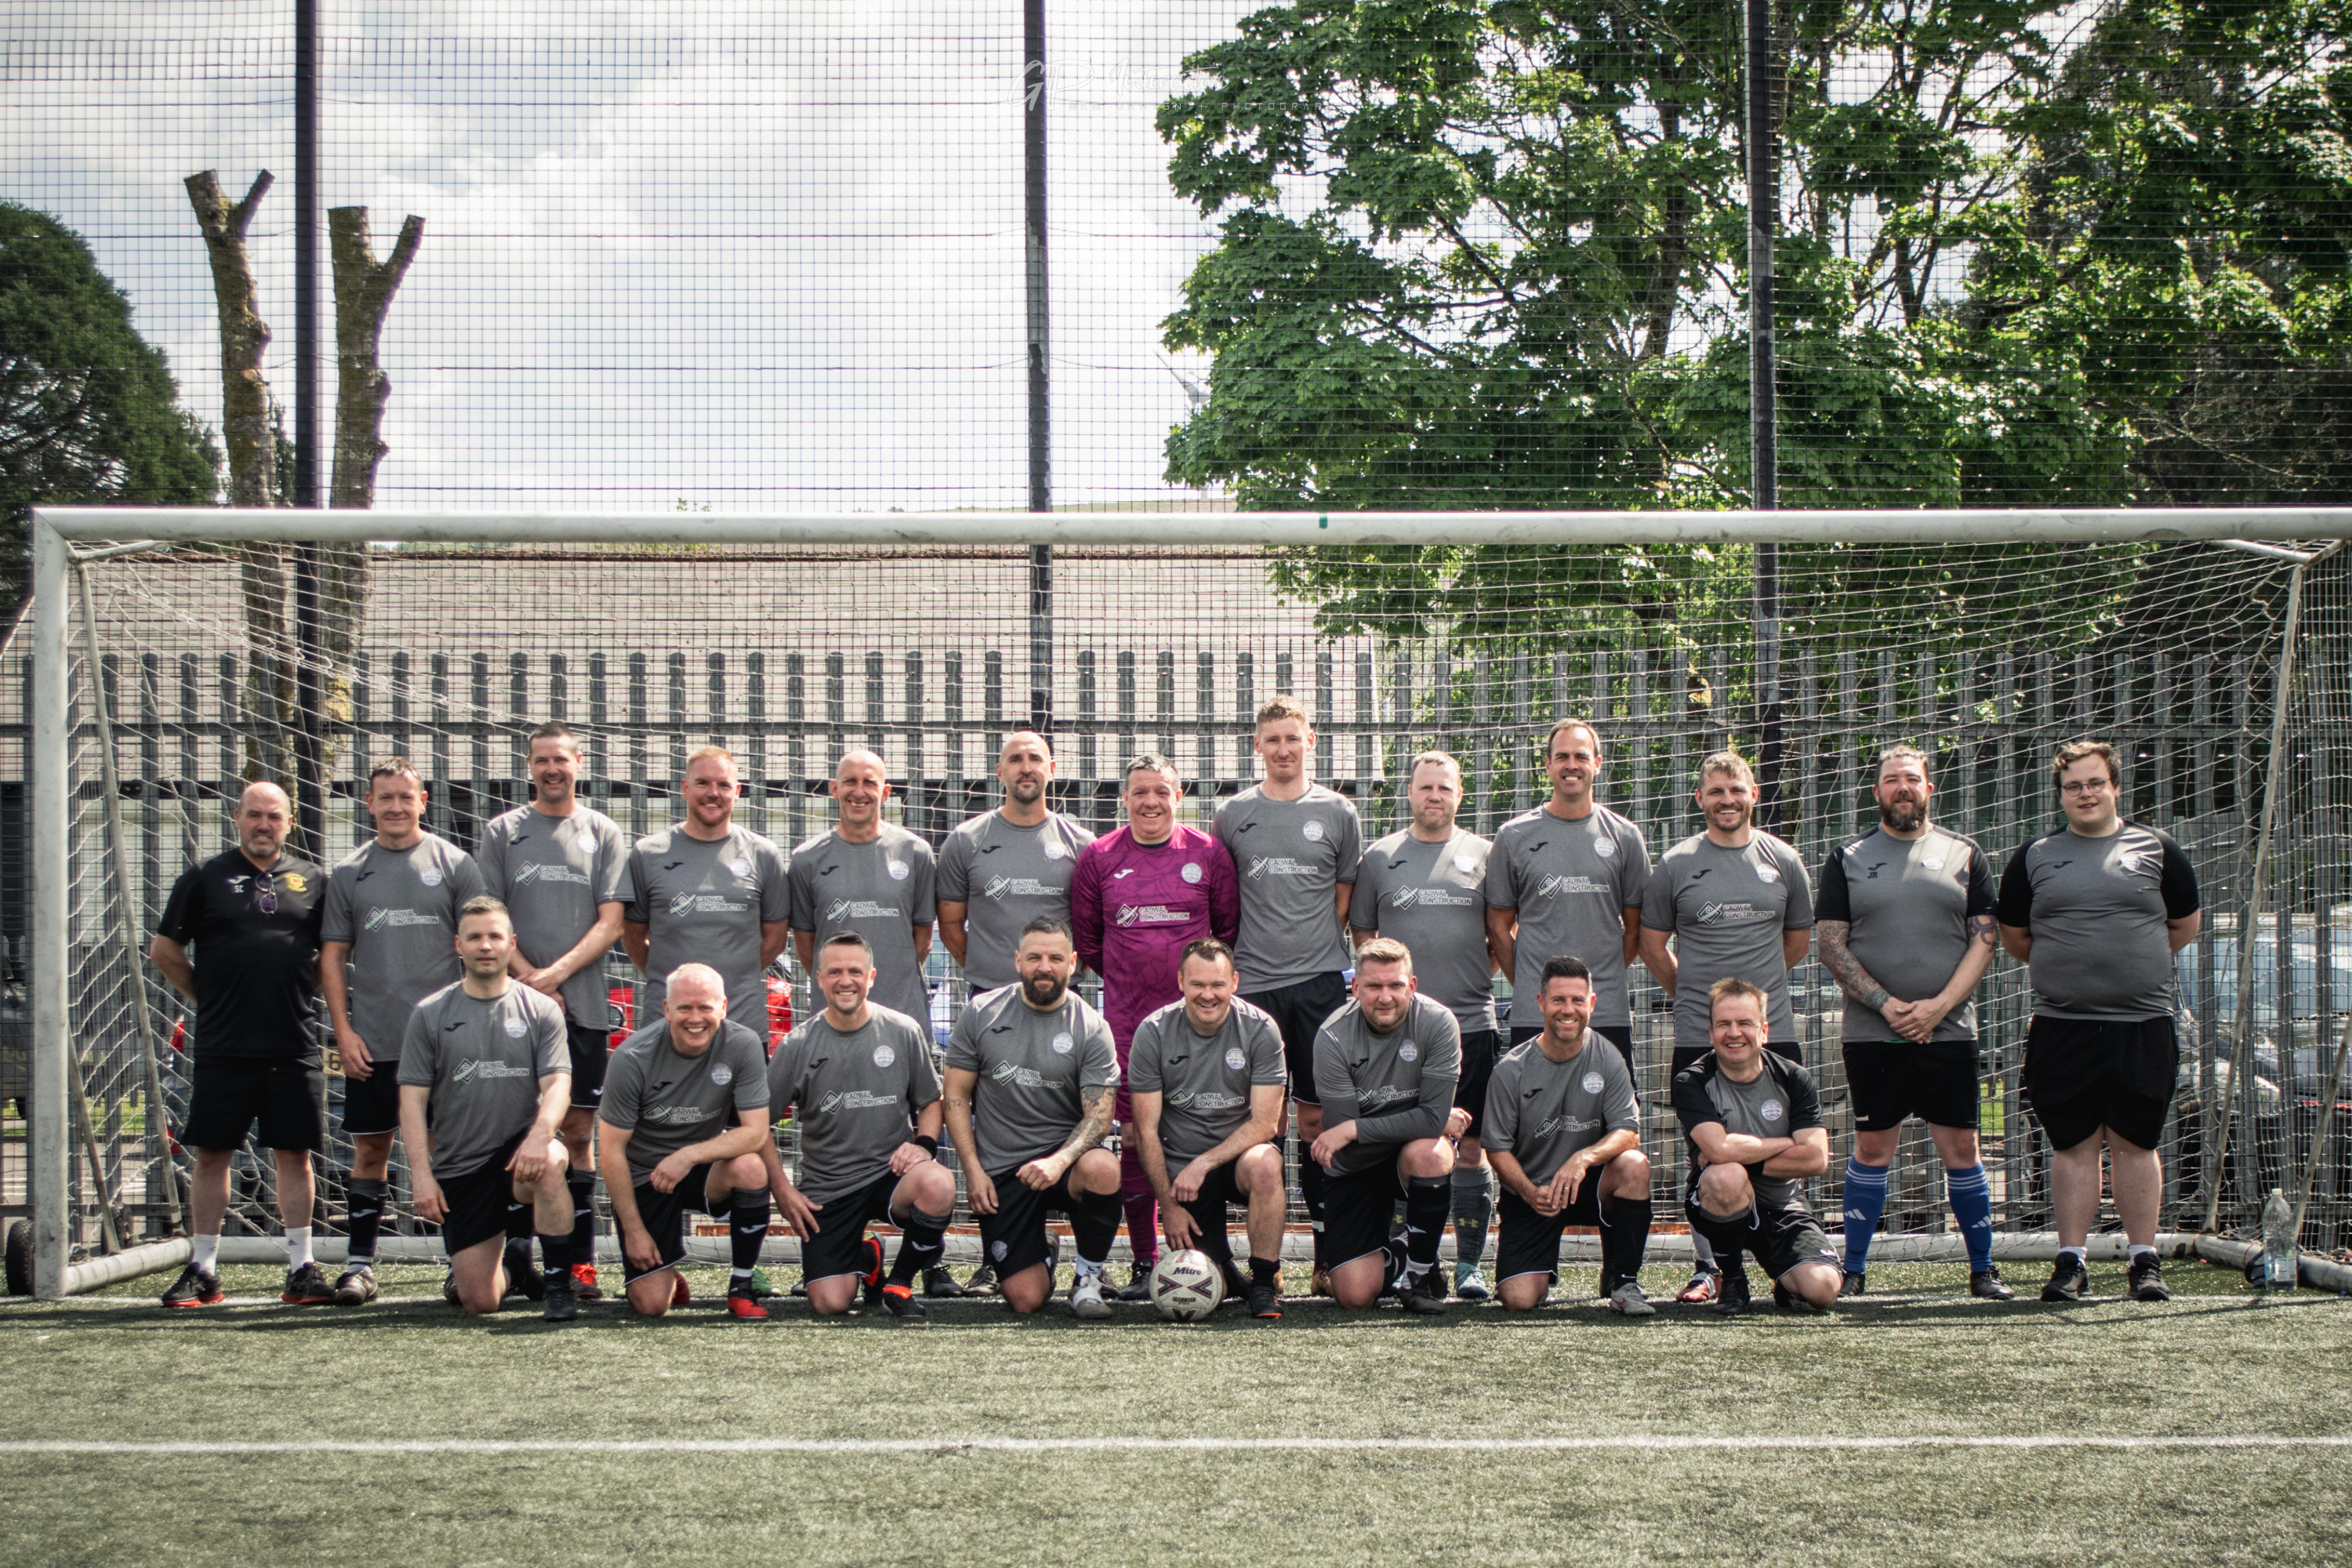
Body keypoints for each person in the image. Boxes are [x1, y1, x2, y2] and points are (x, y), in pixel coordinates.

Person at [1998, 739, 2201, 1305]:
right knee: (2073, 1144)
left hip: (2143, 1023)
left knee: (2137, 1141)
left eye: (2095, 783)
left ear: (2115, 787)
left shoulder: (2158, 849)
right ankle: (2071, 1263)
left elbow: (2183, 925)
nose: (2085, 794)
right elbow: (2016, 936)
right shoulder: (2035, 855)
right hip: (2063, 1025)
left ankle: (2144, 1261)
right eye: (2073, 786)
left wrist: (2129, 961)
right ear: (2060, 796)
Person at [1815, 744, 2010, 1301]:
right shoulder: (1846, 857)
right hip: (1874, 1031)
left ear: (1930, 789)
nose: (1902, 788)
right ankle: (1853, 1269)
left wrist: (1938, 1007)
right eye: (1891, 780)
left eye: (1912, 780)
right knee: (1873, 1149)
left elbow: (1986, 940)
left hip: (1948, 1030)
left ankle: (1983, 1269)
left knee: (1963, 1152)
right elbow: (1830, 944)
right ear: (1876, 792)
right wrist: (1887, 1005)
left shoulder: (1964, 853)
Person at [1637, 749, 1813, 1304]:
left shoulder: (1783, 860)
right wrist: (1699, 1002)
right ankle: (1710, 1265)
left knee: (1780, 1149)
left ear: (1754, 794)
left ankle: (1785, 1251)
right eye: (1716, 791)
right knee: (1707, 1157)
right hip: (1697, 1034)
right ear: (1700, 799)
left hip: (1772, 1032)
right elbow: (1651, 945)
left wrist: (1749, 1012)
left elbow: (1797, 942)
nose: (1727, 800)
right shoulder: (1677, 863)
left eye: (1736, 790)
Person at [151, 782, 333, 1308]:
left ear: (289, 821)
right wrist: (206, 997)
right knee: (213, 1154)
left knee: (294, 1155)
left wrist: (298, 990)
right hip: (223, 1044)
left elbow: (329, 957)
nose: (263, 825)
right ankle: (203, 1268)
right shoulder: (205, 878)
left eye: (273, 816)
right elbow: (163, 950)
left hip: (293, 1042)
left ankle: (301, 1267)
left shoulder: (314, 881)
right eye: (254, 815)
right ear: (237, 818)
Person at [1068, 753, 1238, 1299]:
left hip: (1200, 1025)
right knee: (1138, 1138)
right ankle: (1145, 1263)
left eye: (1161, 791)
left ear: (1179, 795)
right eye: (1140, 792)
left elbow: (1226, 932)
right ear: (1125, 799)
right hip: (1125, 1023)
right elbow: (1088, 941)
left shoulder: (1208, 853)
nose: (1150, 802)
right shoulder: (1098, 857)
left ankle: (1210, 1254)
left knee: (1195, 1129)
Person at [319, 758, 488, 1305]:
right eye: (385, 797)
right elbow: (333, 956)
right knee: (371, 1153)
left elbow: (484, 947)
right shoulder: (349, 873)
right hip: (376, 1042)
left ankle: (454, 1261)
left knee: (448, 1155)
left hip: (445, 1046)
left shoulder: (455, 864)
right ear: (369, 804)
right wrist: (343, 1032)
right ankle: (360, 1266)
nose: (396, 807)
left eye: (405, 797)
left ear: (423, 800)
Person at [475, 721, 633, 1301]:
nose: (551, 769)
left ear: (578, 762)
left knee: (578, 1130)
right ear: (529, 766)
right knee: (518, 1125)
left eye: (560, 759)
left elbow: (612, 922)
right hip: (512, 1007)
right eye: (541, 760)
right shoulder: (503, 832)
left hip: (583, 1006)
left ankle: (580, 1262)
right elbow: (487, 919)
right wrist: (528, 982)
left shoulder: (603, 832)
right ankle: (518, 1258)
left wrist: (556, 975)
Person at [1213, 695, 1362, 1294]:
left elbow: (1343, 900)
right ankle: (1259, 1264)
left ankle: (1328, 1257)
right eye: (1272, 739)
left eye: (1292, 739)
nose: (1282, 749)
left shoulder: (1338, 811)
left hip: (1320, 982)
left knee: (1320, 1118)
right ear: (1257, 746)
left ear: (1311, 742)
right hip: (1254, 989)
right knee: (1260, 1125)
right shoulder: (1232, 815)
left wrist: (1312, 950)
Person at [1348, 750, 1507, 1300]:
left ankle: (1468, 1266)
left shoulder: (1487, 855)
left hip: (1470, 1021)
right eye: (1425, 787)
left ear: (1459, 794)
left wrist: (1464, 980)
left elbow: (1498, 934)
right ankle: (1405, 1258)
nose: (1434, 796)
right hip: (1399, 1034)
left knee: (1471, 1146)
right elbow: (1366, 938)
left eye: (1444, 787)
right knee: (1408, 1144)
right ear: (1409, 793)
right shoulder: (1381, 856)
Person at [397, 898, 577, 1320]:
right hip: (461, 1164)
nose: (485, 945)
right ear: (458, 945)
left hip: (520, 1152)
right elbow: (412, 1099)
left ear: (511, 944)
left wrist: (540, 1134)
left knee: (551, 1161)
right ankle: (517, 1266)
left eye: (495, 936)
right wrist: (421, 1175)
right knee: (479, 1301)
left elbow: (558, 1084)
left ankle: (558, 1288)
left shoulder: (541, 1009)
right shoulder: (430, 1014)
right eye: (475, 937)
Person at [942, 917, 1124, 1318]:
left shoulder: (1091, 1027)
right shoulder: (981, 1012)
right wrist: (972, 1170)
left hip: (1063, 1163)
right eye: (1035, 957)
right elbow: (954, 1096)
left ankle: (1088, 1281)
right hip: (1003, 1171)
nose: (1045, 967)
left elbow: (1099, 1117)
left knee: (1104, 1168)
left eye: (1055, 958)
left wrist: (1059, 1161)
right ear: (1017, 961)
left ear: (1073, 963)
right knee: (1026, 1301)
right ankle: (1043, 1253)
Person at [764, 932, 952, 1320]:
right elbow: (757, 1125)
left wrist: (924, 1145)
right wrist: (782, 1190)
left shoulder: (902, 1031)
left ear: (871, 977)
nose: (845, 980)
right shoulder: (797, 1045)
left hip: (891, 1173)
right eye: (834, 972)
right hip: (828, 1187)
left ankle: (898, 1284)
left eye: (854, 971)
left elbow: (930, 1101)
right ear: (818, 979)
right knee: (830, 1303)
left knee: (938, 1183)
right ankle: (868, 1256)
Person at [597, 964, 777, 1319]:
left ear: (723, 1007)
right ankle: (666, 1273)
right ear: (667, 1009)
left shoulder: (742, 1044)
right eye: (684, 1008)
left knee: (750, 1167)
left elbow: (756, 1132)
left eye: (705, 1007)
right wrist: (633, 1231)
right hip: (644, 1176)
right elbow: (610, 1150)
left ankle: (741, 1286)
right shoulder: (632, 1057)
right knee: (651, 1306)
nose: (695, 1018)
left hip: (698, 1168)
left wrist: (688, 1156)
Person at [1127, 938, 1289, 1319]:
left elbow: (1265, 1123)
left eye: (1217, 984)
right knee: (1208, 1283)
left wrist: (1206, 1162)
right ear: (1180, 981)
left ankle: (1264, 1283)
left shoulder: (1261, 1029)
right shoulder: (1153, 1032)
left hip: (1235, 1162)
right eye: (1197, 984)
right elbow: (1145, 1131)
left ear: (1234, 982)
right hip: (1183, 1176)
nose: (1208, 994)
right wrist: (1168, 1205)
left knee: (1267, 1163)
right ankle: (1229, 1273)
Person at [1483, 956, 1653, 1315]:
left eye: (1578, 1000)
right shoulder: (1511, 1069)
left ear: (1591, 1003)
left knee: (1634, 1166)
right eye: (1559, 1000)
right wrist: (1530, 1193)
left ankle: (1623, 1281)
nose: (1568, 1010)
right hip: (1534, 1193)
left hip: (1586, 1185)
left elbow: (1629, 1131)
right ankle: (1539, 1272)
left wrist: (1583, 1159)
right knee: (1518, 1300)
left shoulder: (1608, 1057)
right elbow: (1495, 1148)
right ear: (1541, 1003)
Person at [1310, 938, 1465, 1314]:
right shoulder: (1332, 1037)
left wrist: (1356, 1128)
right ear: (1355, 988)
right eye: (1374, 986)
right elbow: (1352, 1146)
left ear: (1411, 986)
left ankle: (1419, 1277)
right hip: (1356, 1166)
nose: (1385, 997)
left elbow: (1426, 1122)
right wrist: (1428, 1118)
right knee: (1355, 1297)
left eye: (1395, 985)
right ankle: (1404, 1251)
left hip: (1407, 1154)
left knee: (1429, 1152)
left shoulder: (1438, 1022)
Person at [1486, 719, 1654, 1059]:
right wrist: (1535, 987)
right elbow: (1498, 926)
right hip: (1536, 1012)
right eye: (1562, 757)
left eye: (1581, 755)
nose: (1571, 765)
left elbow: (1636, 927)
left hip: (1605, 1011)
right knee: (1533, 1109)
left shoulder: (1624, 836)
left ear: (1598, 763)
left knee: (1609, 1110)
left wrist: (1599, 977)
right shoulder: (1514, 836)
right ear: (1547, 765)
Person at [1671, 978, 1842, 1314]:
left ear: (1763, 1030)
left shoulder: (1794, 1078)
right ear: (1710, 1033)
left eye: (1745, 1024)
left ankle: (1785, 1277)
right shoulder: (1691, 1081)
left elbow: (1816, 1158)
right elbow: (1719, 1153)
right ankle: (1733, 1279)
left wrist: (1737, 1152)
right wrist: (1787, 1142)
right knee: (1726, 1176)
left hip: (1782, 1204)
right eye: (1724, 1024)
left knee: (1822, 1290)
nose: (1734, 1033)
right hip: (1718, 1199)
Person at [622, 744, 792, 1046]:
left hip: (742, 1026)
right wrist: (675, 983)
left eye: (723, 785)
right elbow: (633, 936)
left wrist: (736, 975)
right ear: (685, 788)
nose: (713, 793)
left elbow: (775, 940)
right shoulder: (648, 854)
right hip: (666, 1028)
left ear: (737, 791)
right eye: (702, 783)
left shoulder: (763, 854)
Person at [936, 729, 1095, 996]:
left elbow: (1095, 932)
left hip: (1061, 995)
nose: (1026, 768)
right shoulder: (965, 841)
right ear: (999, 771)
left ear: (1052, 769)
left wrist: (1066, 969)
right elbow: (950, 928)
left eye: (1035, 758)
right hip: (989, 994)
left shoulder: (1082, 844)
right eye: (1015, 760)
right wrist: (990, 969)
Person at [790, 747, 938, 1027]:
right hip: (834, 1016)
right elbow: (806, 946)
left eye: (869, 782)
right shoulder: (806, 859)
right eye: (850, 781)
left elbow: (922, 940)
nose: (859, 792)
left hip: (902, 1012)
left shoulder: (916, 852)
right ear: (834, 789)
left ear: (885, 792)